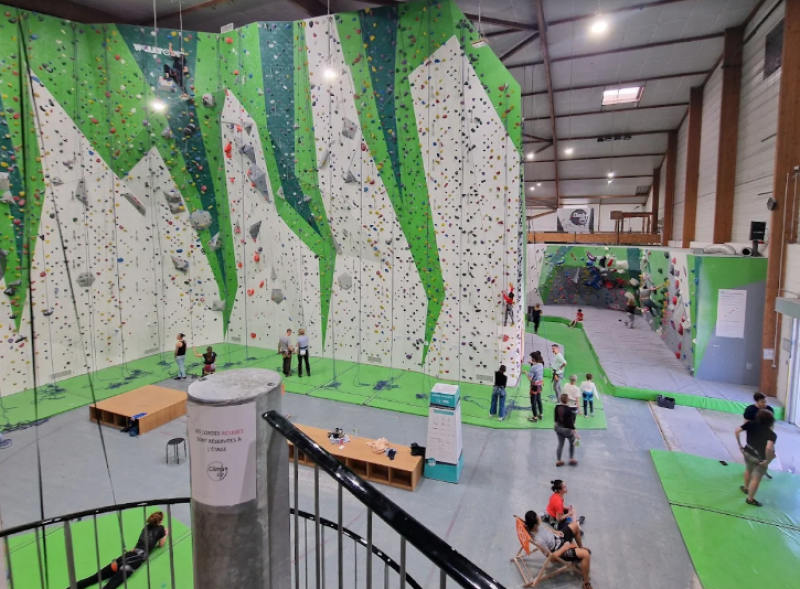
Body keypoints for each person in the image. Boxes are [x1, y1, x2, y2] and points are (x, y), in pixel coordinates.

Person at [70, 511, 168, 589]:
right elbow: (161, 544)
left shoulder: (145, 527)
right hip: (134, 561)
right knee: (109, 586)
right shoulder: (161, 529)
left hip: (128, 555)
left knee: (94, 578)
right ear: (160, 521)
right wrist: (166, 533)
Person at [524, 511, 593, 589]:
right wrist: (564, 548)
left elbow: (545, 529)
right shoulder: (539, 540)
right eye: (538, 518)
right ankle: (586, 583)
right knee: (586, 554)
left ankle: (580, 549)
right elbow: (552, 558)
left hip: (558, 538)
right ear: (535, 525)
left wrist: (555, 532)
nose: (539, 517)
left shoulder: (532, 526)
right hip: (558, 550)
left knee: (576, 526)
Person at [735, 409, 777, 506]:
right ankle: (750, 499)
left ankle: (746, 488)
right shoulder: (771, 434)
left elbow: (737, 431)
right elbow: (768, 448)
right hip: (759, 459)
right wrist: (767, 461)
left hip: (747, 452)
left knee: (748, 470)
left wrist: (740, 445)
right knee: (756, 479)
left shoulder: (750, 424)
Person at [743, 392, 775, 479]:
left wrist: (771, 436)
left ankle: (763, 468)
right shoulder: (750, 410)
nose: (765, 404)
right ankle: (752, 470)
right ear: (757, 401)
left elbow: (771, 424)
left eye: (766, 401)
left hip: (765, 436)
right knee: (754, 455)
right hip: (754, 436)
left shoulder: (769, 409)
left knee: (770, 454)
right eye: (762, 402)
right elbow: (746, 424)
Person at [555, 393, 579, 466]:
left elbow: (555, 419)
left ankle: (558, 460)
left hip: (558, 428)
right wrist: (576, 434)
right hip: (567, 430)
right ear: (567, 400)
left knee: (560, 444)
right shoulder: (569, 409)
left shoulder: (557, 407)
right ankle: (571, 459)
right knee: (573, 442)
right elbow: (571, 423)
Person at [526, 351, 545, 422]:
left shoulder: (533, 368)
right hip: (540, 385)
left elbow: (530, 378)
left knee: (533, 402)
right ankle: (541, 414)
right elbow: (537, 365)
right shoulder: (541, 365)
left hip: (534, 387)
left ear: (534, 359)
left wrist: (526, 373)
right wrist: (532, 363)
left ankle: (535, 417)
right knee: (539, 400)